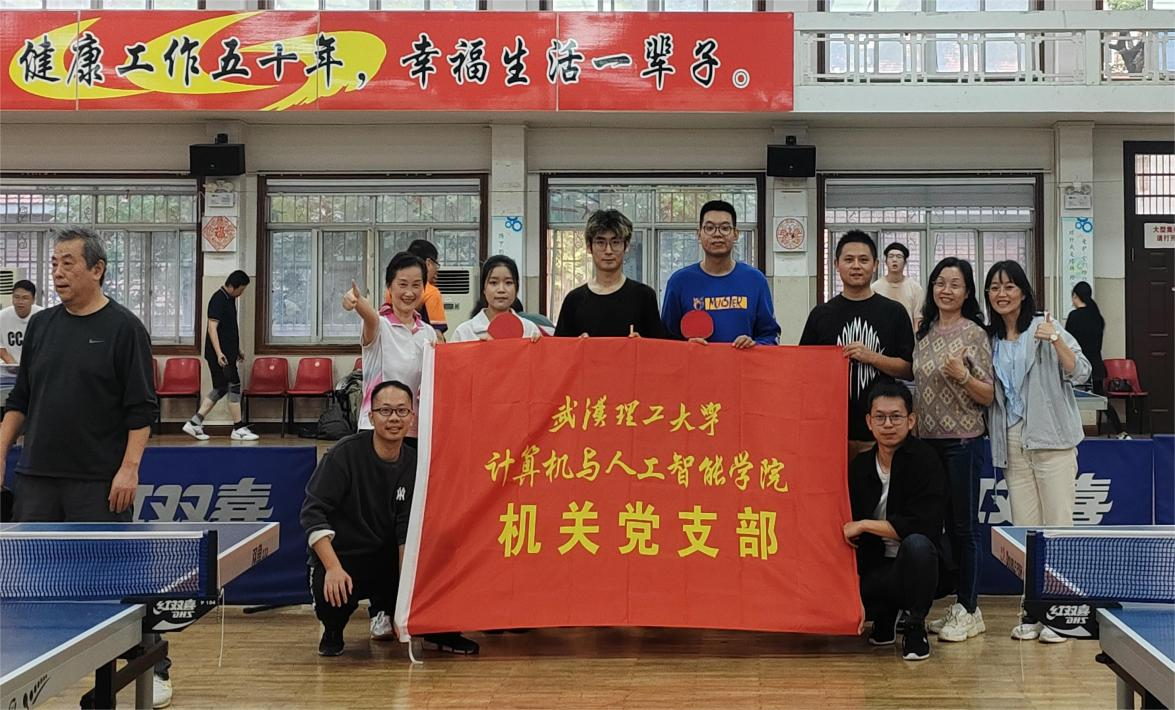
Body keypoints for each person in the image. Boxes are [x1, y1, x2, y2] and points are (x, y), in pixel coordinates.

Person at [0, 227, 171, 706]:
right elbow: (21, 399)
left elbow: (142, 410)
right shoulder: (41, 326)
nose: (57, 272)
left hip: (97, 482)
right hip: (36, 479)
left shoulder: (125, 328)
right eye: (54, 263)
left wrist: (129, 469)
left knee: (110, 585)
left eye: (68, 263)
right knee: (26, 582)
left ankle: (152, 664)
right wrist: (0, 451)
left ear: (97, 269)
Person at [984, 260, 1090, 644]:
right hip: (1013, 443)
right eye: (995, 287)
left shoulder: (1045, 327)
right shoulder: (990, 339)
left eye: (1009, 286)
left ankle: (1060, 613)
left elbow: (1081, 372)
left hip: (1052, 441)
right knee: (1027, 532)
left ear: (1023, 292)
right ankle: (1034, 610)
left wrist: (1056, 339)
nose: (1002, 294)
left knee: (1058, 527)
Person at [301, 380, 420, 655]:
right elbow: (313, 512)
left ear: (412, 417)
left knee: (411, 574)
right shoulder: (343, 455)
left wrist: (408, 589)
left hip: (384, 557)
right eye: (385, 410)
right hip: (343, 556)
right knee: (331, 594)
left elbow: (405, 529)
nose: (394, 418)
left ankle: (384, 611)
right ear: (371, 416)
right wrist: (332, 568)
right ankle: (332, 628)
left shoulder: (414, 462)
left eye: (402, 411)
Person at [912, 257, 994, 644]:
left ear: (967, 292)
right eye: (940, 282)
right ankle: (960, 606)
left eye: (955, 284)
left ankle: (970, 608)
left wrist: (963, 376)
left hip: (962, 443)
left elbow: (988, 394)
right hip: (927, 444)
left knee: (965, 528)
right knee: (940, 526)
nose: (946, 290)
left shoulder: (974, 333)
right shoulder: (925, 333)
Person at [844, 381, 945, 662]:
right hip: (875, 565)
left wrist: (865, 525)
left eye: (896, 417)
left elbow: (923, 526)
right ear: (869, 422)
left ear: (911, 420)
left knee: (918, 545)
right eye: (880, 417)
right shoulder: (860, 466)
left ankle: (915, 626)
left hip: (917, 565)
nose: (888, 424)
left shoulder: (926, 461)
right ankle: (884, 617)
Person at [800, 231, 914, 460]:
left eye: (863, 260)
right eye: (848, 259)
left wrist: (872, 357)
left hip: (880, 434)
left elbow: (909, 369)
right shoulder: (821, 315)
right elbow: (803, 369)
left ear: (876, 265)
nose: (856, 266)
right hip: (830, 432)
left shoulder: (894, 313)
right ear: (836, 264)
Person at [343, 252, 437, 445]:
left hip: (414, 428)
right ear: (389, 287)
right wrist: (357, 301)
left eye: (416, 285)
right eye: (402, 284)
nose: (409, 293)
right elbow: (370, 317)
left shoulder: (428, 332)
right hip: (375, 426)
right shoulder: (380, 325)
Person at [660, 200, 779, 348]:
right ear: (699, 234)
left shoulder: (756, 280)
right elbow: (665, 340)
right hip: (696, 363)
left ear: (735, 234)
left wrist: (755, 345)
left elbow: (770, 336)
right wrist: (686, 347)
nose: (717, 234)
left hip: (742, 364)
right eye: (709, 228)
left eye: (725, 228)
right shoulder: (679, 282)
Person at [555, 209, 666, 339]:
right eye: (600, 242)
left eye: (615, 242)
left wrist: (642, 344)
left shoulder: (644, 296)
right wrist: (577, 345)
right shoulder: (574, 300)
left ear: (626, 246)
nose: (608, 251)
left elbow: (659, 348)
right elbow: (559, 349)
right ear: (589, 247)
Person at [183, 270, 258, 441]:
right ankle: (238, 428)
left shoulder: (229, 299)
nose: (241, 293)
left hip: (227, 353)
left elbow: (229, 329)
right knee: (234, 385)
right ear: (232, 286)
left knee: (221, 388)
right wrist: (219, 353)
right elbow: (212, 328)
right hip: (220, 355)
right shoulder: (218, 299)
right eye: (241, 289)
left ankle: (194, 423)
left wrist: (237, 349)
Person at [1065, 281, 1125, 436]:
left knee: (1067, 399)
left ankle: (1069, 434)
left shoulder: (1074, 316)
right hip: (1096, 365)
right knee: (1103, 401)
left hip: (1077, 366)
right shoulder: (1098, 317)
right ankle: (1121, 432)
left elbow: (1067, 343)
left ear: (1075, 296)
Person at [449, 255, 543, 343]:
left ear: (516, 288)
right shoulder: (463, 333)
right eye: (493, 283)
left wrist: (539, 346)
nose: (501, 290)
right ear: (484, 288)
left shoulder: (530, 330)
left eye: (508, 283)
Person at [872, 242, 923, 332]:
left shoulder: (915, 288)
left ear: (905, 262)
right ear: (886, 261)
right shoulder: (875, 288)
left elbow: (918, 319)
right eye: (891, 256)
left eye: (899, 257)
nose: (894, 260)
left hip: (907, 337)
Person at [406, 239, 448, 340]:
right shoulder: (432, 293)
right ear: (428, 263)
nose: (437, 269)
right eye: (436, 264)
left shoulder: (393, 291)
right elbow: (437, 335)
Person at [0, 279, 42, 365]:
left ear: (33, 300)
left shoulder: (43, 316)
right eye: (16, 297)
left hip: (37, 366)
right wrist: (12, 365)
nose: (20, 302)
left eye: (25, 298)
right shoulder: (2, 316)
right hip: (11, 367)